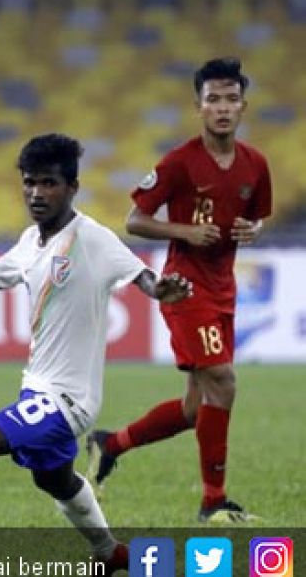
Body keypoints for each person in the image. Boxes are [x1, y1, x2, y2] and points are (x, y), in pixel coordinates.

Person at [0, 134, 191, 575]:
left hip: (69, 400)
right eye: (29, 183)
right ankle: (111, 553)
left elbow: (144, 278)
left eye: (48, 183)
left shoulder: (92, 238)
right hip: (37, 390)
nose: (36, 193)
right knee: (55, 479)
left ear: (72, 187)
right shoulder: (32, 240)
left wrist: (161, 289)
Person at [86, 57, 272, 523]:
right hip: (185, 290)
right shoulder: (180, 162)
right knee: (224, 382)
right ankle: (214, 502)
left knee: (195, 407)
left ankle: (110, 444)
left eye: (231, 99)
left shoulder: (256, 164)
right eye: (214, 100)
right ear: (199, 106)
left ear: (243, 106)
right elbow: (134, 219)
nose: (223, 108)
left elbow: (259, 216)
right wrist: (186, 232)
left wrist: (254, 229)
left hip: (224, 287)